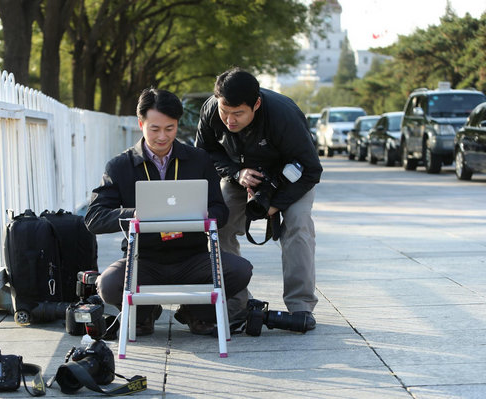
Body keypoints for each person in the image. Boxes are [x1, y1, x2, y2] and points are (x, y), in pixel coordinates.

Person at [85, 87, 253, 336]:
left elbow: (220, 210)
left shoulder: (198, 159)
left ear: (177, 124)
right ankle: (145, 313)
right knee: (109, 285)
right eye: (154, 129)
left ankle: (194, 311)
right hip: (143, 258)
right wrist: (137, 214)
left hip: (192, 258)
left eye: (170, 128)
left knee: (240, 270)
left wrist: (204, 214)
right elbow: (94, 217)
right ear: (140, 123)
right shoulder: (121, 165)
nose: (162, 137)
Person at [195, 68, 322, 330]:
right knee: (218, 224)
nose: (229, 120)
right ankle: (235, 302)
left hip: (291, 178)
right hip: (240, 175)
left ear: (257, 104)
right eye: (224, 112)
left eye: (238, 113)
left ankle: (301, 306)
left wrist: (275, 205)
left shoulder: (282, 115)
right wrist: (235, 172)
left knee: (298, 224)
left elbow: (312, 169)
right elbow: (204, 154)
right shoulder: (210, 109)